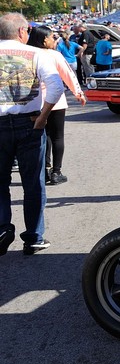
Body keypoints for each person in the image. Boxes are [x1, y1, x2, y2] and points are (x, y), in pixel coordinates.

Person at [0, 13, 64, 256]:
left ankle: (3, 228)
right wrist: (44, 116)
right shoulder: (36, 54)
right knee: (33, 184)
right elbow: (56, 86)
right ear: (20, 32)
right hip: (29, 122)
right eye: (27, 31)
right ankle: (34, 237)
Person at [27, 25, 87, 185]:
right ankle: (56, 172)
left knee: (43, 136)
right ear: (43, 39)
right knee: (57, 136)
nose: (55, 40)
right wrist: (78, 93)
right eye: (52, 37)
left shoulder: (28, 54)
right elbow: (68, 74)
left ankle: (44, 170)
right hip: (55, 102)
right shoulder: (54, 55)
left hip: (35, 102)